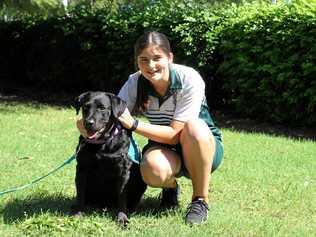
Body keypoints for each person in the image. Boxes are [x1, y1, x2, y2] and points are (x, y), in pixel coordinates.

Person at [77, 31, 223, 225]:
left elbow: (174, 134)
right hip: (164, 146)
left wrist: (135, 124)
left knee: (194, 128)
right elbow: (114, 113)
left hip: (202, 145)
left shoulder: (189, 79)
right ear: (137, 61)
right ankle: (170, 187)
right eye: (143, 60)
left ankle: (199, 201)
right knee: (152, 169)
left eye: (157, 58)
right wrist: (85, 125)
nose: (151, 66)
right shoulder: (135, 82)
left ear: (170, 57)